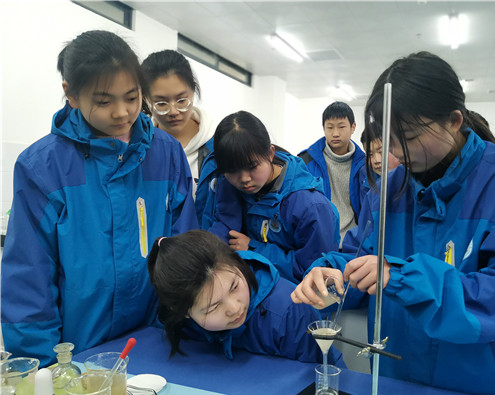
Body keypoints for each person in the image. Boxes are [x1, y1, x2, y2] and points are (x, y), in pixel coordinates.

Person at [291, 51, 495, 395]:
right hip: (398, 384)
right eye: (387, 139)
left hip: (486, 392)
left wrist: (400, 277)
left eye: (408, 137)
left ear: (454, 121)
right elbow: (360, 257)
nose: (396, 152)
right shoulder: (387, 191)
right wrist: (332, 274)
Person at [0, 30, 198, 366]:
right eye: (104, 102)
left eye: (132, 97)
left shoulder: (165, 152)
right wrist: (42, 367)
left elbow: (186, 246)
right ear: (72, 95)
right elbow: (28, 277)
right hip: (78, 352)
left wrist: (183, 327)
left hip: (156, 339)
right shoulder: (43, 167)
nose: (122, 113)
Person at [147, 230, 343, 365]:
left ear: (237, 262)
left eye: (234, 286)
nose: (234, 308)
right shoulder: (177, 320)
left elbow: (324, 376)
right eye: (213, 307)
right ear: (184, 312)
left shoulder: (290, 312)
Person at [210, 111, 340, 283]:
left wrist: (254, 249)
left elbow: (313, 271)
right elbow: (223, 223)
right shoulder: (229, 183)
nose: (244, 179)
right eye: (232, 170)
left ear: (270, 154)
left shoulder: (310, 206)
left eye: (252, 166)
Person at [141, 49, 214, 197]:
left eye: (181, 101)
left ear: (193, 92)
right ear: (145, 99)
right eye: (161, 103)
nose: (173, 111)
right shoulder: (139, 148)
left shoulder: (217, 146)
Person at [298, 102, 367, 247]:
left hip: (354, 243)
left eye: (341, 127)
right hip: (318, 241)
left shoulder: (365, 164)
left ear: (353, 127)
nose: (335, 133)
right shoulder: (305, 162)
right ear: (323, 128)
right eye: (330, 127)